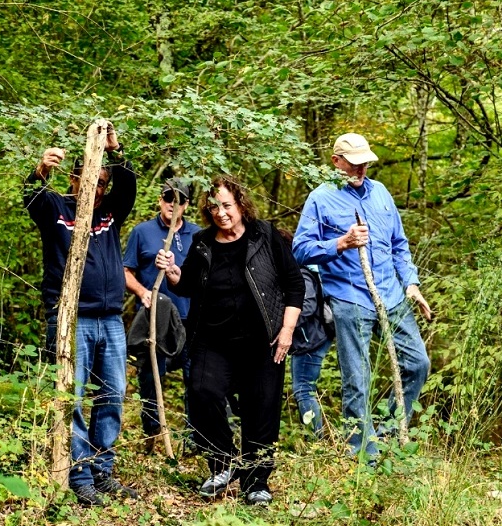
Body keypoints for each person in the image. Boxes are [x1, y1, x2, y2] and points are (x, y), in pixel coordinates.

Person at [155, 175, 304, 506]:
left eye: (227, 205)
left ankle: (256, 482)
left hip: (263, 341)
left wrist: (287, 331)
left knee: (260, 408)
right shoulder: (202, 241)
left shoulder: (263, 235)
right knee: (202, 393)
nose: (221, 212)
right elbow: (188, 284)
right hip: (213, 339)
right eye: (214, 207)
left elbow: (295, 285)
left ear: (240, 204)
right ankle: (222, 463)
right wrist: (172, 271)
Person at [292, 132, 433, 460]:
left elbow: (399, 243)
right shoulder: (321, 198)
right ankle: (361, 455)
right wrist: (340, 243)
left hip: (392, 295)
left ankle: (383, 431)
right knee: (358, 378)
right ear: (336, 161)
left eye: (365, 163)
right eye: (353, 164)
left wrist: (410, 282)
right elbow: (300, 250)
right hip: (349, 297)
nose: (360, 170)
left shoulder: (381, 193)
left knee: (418, 363)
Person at [23, 122, 139, 506]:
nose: (98, 188)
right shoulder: (57, 208)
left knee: (113, 393)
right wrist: (41, 168)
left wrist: (114, 150)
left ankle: (103, 469)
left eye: (104, 183)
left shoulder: (109, 214)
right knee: (70, 395)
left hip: (110, 318)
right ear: (76, 177)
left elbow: (129, 188)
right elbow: (30, 197)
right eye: (92, 179)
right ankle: (78, 472)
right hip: (71, 318)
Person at [123, 179, 199, 453]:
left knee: (196, 378)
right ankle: (151, 432)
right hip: (155, 319)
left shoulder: (198, 235)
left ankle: (194, 439)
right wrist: (143, 292)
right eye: (168, 197)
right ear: (160, 200)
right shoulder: (142, 232)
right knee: (150, 377)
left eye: (178, 200)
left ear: (186, 205)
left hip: (192, 318)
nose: (172, 204)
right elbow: (126, 271)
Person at [278, 229, 334, 439]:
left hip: (311, 340)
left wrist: (284, 326)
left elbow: (307, 306)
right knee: (304, 389)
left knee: (303, 389)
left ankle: (316, 439)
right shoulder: (297, 271)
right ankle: (315, 436)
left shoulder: (300, 272)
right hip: (309, 338)